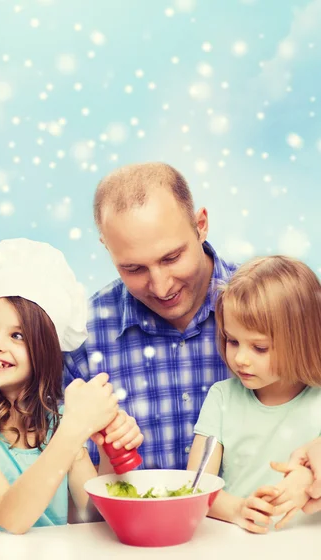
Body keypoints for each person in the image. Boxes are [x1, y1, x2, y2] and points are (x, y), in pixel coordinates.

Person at [0, 239, 143, 534]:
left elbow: (93, 521)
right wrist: (74, 428)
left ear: (45, 350)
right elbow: (11, 517)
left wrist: (109, 449)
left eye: (17, 335)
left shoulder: (58, 422)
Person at [64, 162, 237, 469]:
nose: (161, 287)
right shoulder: (79, 337)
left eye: (172, 257)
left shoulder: (278, 306)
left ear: (201, 225)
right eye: (133, 268)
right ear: (106, 247)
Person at [187, 256, 321, 533]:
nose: (241, 359)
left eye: (259, 348)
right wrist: (237, 509)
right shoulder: (222, 398)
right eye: (232, 341)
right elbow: (196, 485)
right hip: (240, 543)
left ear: (303, 341)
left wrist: (308, 481)